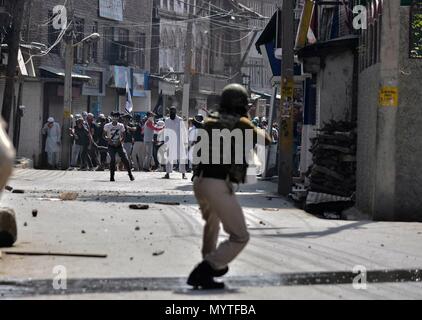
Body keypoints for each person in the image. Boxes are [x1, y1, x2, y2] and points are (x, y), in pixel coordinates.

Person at [187, 84, 271, 289]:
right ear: (241, 105)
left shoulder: (210, 120)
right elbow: (267, 140)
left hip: (199, 182)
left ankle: (210, 265)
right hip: (217, 184)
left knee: (212, 223)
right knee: (240, 236)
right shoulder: (242, 123)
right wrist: (248, 121)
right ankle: (207, 268)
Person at [103, 112, 134, 182]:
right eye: (114, 116)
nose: (115, 118)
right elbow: (103, 135)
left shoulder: (121, 125)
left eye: (116, 116)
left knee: (125, 159)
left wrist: (120, 141)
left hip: (119, 145)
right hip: (111, 145)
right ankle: (112, 176)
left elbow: (124, 135)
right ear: (111, 117)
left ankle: (130, 174)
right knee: (112, 159)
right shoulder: (107, 125)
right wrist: (108, 139)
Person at [163, 106, 188, 179]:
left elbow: (184, 131)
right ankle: (167, 173)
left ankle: (183, 173)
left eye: (173, 111)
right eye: (171, 111)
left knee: (181, 158)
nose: (172, 112)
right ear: (169, 112)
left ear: (175, 112)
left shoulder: (180, 120)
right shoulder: (167, 120)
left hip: (179, 142)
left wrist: (185, 141)